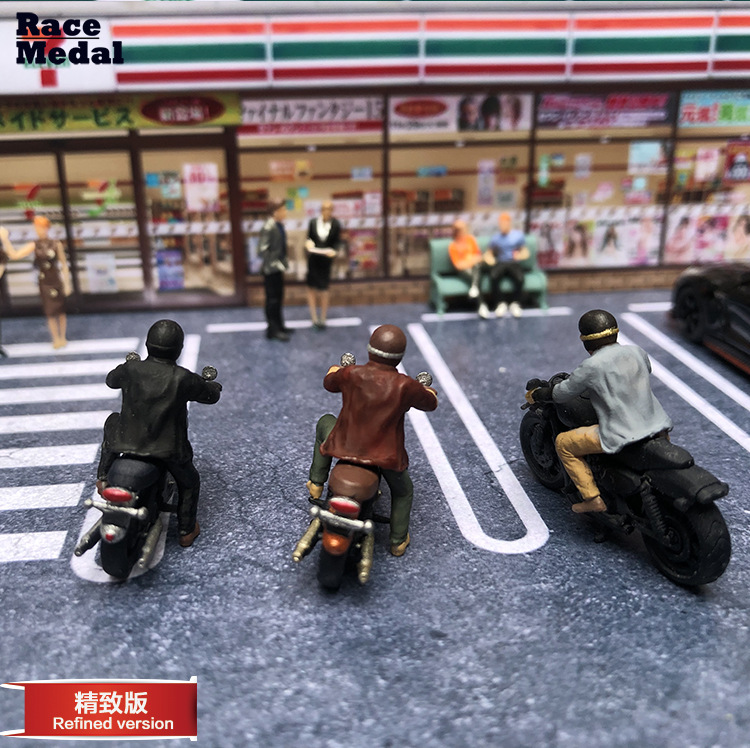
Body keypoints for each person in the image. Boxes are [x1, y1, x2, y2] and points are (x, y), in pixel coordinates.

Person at [306, 325, 438, 556]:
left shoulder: (351, 373)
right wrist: (428, 391)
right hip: (384, 456)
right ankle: (397, 540)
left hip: (344, 446)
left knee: (325, 422)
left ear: (370, 350)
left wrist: (337, 369)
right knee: (403, 491)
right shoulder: (406, 386)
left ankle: (316, 483)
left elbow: (329, 382)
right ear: (399, 357)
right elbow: (430, 403)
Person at [526, 310, 672, 514]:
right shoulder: (637, 351)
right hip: (658, 425)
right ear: (615, 333)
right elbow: (645, 370)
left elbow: (561, 393)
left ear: (586, 341)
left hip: (621, 433)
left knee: (563, 443)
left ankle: (592, 499)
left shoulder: (591, 366)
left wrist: (540, 393)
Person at [96, 320, 222, 547]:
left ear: (147, 344)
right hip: (167, 449)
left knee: (113, 421)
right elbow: (210, 396)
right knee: (189, 482)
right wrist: (214, 386)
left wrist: (126, 366)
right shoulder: (183, 378)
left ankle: (103, 475)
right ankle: (186, 530)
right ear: (178, 349)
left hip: (125, 442)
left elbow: (111, 380)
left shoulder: (131, 370)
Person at [0, 217, 71, 349]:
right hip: (44, 281)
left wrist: (67, 284)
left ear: (47, 228)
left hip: (56, 279)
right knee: (50, 311)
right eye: (37, 227)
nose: (39, 230)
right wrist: (5, 240)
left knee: (60, 310)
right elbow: (15, 255)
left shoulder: (56, 244)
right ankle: (55, 338)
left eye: (42, 227)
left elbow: (64, 264)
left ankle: (63, 337)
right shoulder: (34, 244)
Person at [485, 212, 529, 318]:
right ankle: (500, 303)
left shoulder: (517, 235)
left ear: (509, 223)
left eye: (505, 223)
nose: (503, 225)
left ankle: (515, 303)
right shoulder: (496, 238)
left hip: (513, 262)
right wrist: (489, 259)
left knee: (520, 278)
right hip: (501, 262)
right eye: (501, 223)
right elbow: (489, 252)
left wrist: (520, 255)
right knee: (493, 277)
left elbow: (524, 250)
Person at [259, 199, 292, 342]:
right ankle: (273, 329)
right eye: (283, 210)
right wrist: (274, 263)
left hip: (278, 267)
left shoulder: (278, 225)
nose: (285, 212)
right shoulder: (268, 227)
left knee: (278, 298)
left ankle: (280, 325)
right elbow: (262, 250)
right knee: (272, 299)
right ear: (275, 211)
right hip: (271, 269)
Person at [305, 200, 341, 330]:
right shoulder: (313, 222)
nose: (327, 211)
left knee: (324, 288)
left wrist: (335, 251)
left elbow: (337, 242)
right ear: (321, 210)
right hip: (313, 259)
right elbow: (309, 238)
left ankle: (323, 317)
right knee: (311, 287)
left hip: (326, 260)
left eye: (329, 209)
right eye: (325, 209)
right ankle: (314, 317)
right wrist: (308, 244)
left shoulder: (335, 224)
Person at [448, 220, 491, 316]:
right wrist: (471, 261)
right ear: (457, 232)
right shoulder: (453, 246)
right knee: (475, 276)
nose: (465, 230)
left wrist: (471, 261)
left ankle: (475, 290)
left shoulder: (471, 240)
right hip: (464, 271)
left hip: (476, 267)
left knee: (477, 268)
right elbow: (458, 265)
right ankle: (481, 304)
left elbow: (479, 257)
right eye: (462, 229)